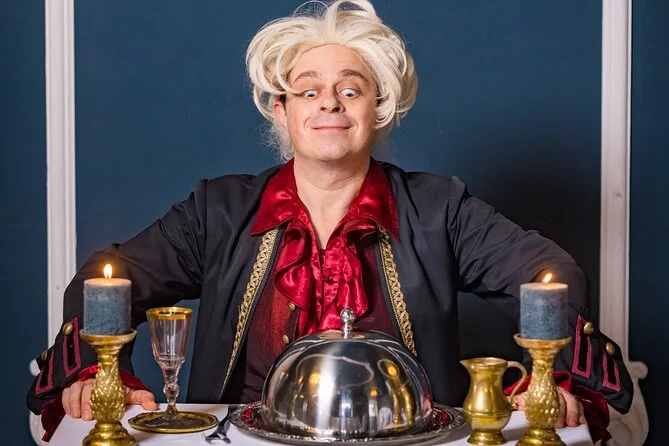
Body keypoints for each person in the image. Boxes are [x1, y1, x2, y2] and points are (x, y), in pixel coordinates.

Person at [27, 0, 633, 442]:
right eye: (308, 89)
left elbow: (547, 272)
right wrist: (101, 374)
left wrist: (552, 379)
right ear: (281, 110)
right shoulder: (219, 210)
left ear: (379, 107)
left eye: (351, 89)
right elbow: (107, 279)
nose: (329, 103)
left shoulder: (439, 208)